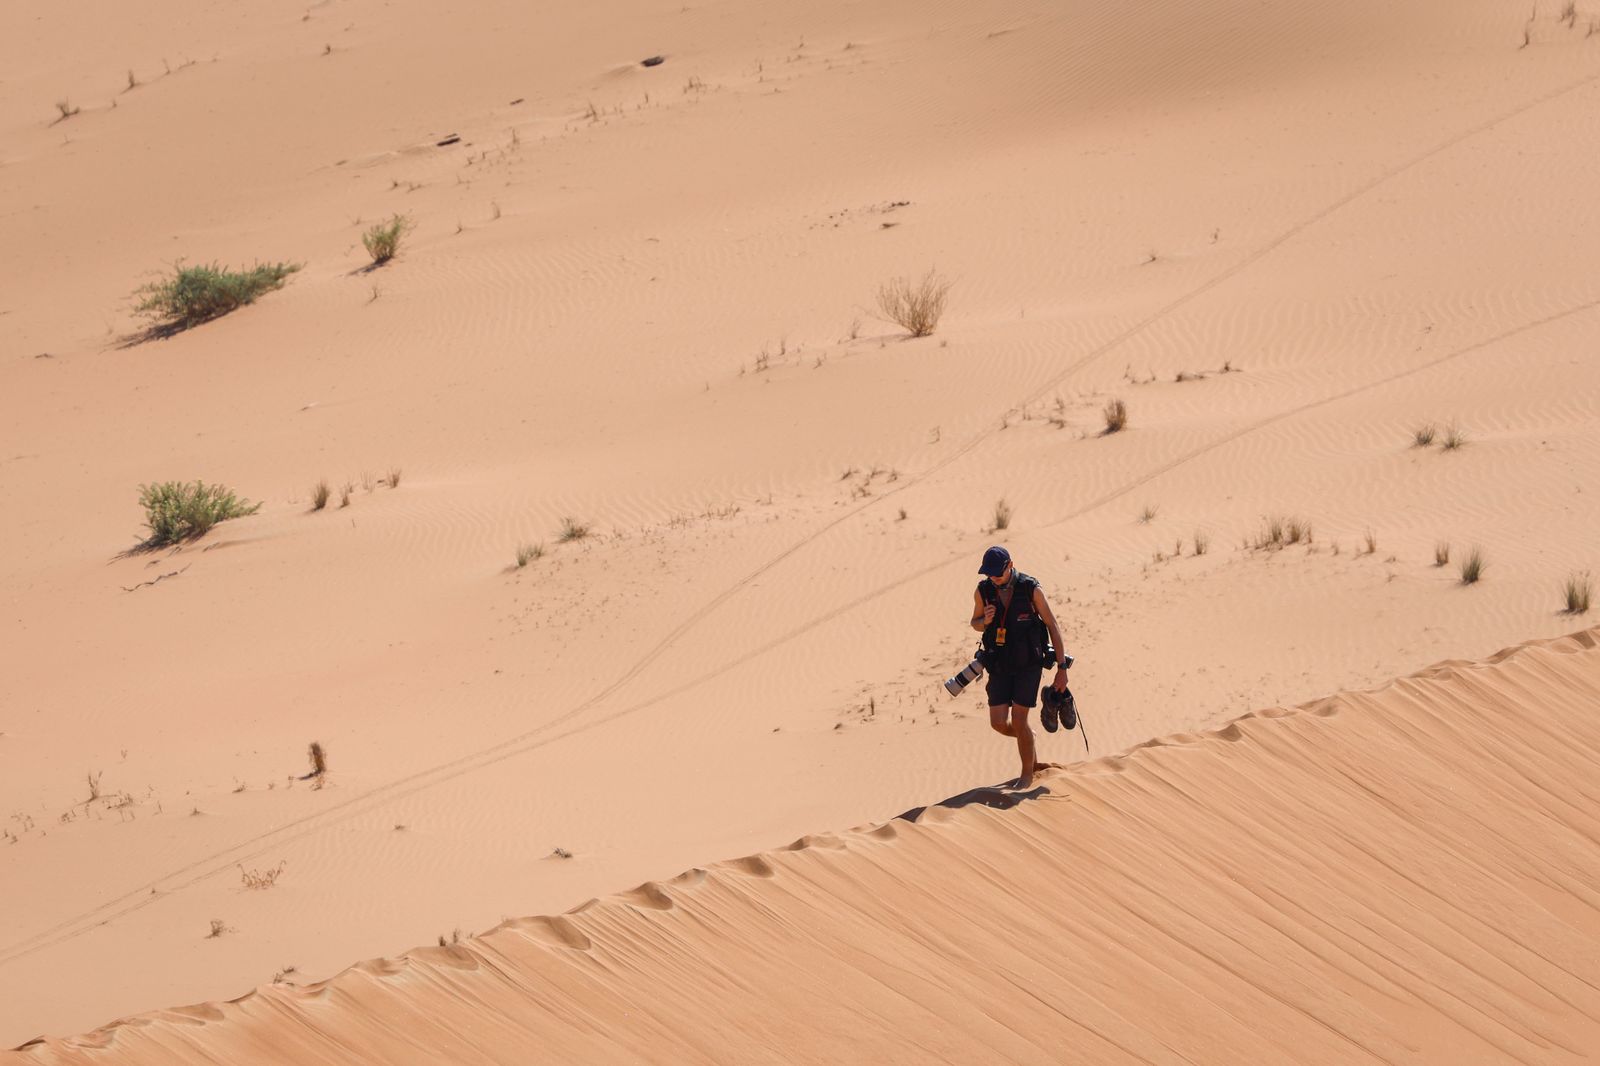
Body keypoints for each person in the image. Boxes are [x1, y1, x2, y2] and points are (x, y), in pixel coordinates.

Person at [969, 545, 1071, 788]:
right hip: (999, 664)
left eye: (997, 573)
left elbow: (1052, 625)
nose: (993, 577)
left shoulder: (1030, 588)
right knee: (998, 722)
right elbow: (975, 623)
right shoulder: (983, 591)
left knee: (1019, 719)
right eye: (989, 573)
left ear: (1010, 565)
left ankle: (1027, 775)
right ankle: (1028, 739)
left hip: (1028, 664)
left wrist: (1062, 668)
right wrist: (986, 620)